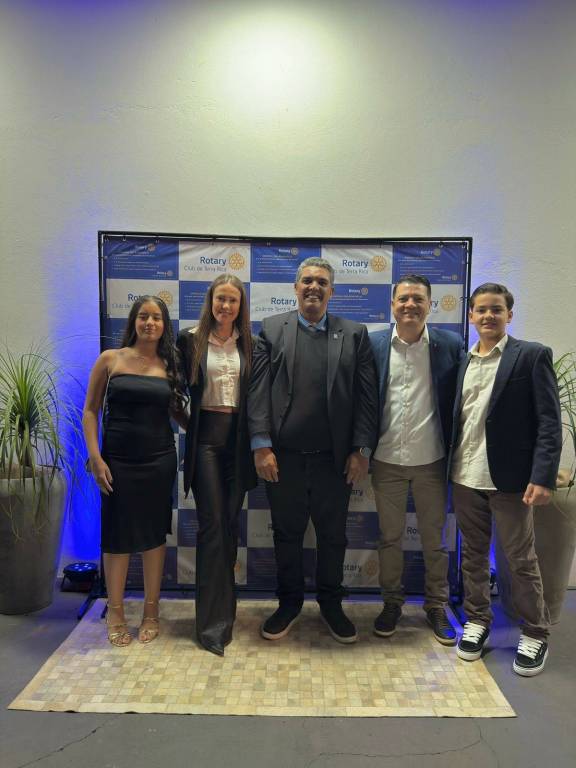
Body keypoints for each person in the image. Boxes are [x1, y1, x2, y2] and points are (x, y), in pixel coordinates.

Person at [249, 257, 379, 644]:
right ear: (295, 288)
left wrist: (361, 450)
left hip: (334, 462)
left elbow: (367, 398)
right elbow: (257, 391)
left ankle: (331, 605)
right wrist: (261, 445)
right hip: (282, 459)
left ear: (331, 291)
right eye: (307, 280)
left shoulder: (354, 334)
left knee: (333, 537)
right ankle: (288, 603)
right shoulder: (272, 329)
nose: (313, 287)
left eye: (322, 282)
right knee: (286, 536)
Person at [450, 282, 562, 676]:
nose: (488, 316)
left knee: (520, 560)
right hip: (465, 476)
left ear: (509, 315)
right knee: (473, 555)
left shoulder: (530, 356)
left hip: (511, 481)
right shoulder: (463, 361)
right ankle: (477, 620)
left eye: (496, 309)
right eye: (481, 309)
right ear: (471, 316)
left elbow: (549, 422)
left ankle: (535, 632)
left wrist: (542, 476)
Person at [83, 295, 187, 646]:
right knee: (117, 537)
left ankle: (151, 611)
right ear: (134, 321)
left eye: (156, 318)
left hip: (159, 462)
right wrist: (96, 458)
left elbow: (179, 413)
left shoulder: (170, 366)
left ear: (164, 325)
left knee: (154, 536)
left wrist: (215, 431)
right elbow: (90, 411)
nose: (149, 323)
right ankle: (115, 612)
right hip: (116, 464)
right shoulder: (109, 359)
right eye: (144, 316)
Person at [369, 274, 465, 645]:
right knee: (389, 538)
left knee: (434, 541)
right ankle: (391, 603)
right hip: (386, 459)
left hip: (432, 460)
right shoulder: (374, 344)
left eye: (418, 299)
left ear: (430, 305)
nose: (410, 305)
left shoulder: (449, 345)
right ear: (392, 304)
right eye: (404, 299)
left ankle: (436, 605)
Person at [176, 274, 260, 656]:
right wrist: (191, 426)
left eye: (233, 300)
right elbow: (173, 393)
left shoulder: (251, 345)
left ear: (241, 306)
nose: (226, 306)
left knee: (228, 526)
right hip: (206, 442)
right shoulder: (190, 340)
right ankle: (210, 626)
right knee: (212, 526)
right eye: (220, 299)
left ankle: (225, 615)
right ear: (210, 301)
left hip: (239, 443)